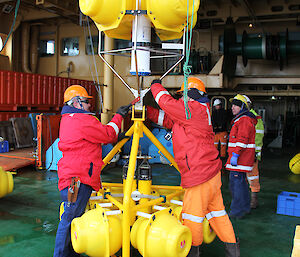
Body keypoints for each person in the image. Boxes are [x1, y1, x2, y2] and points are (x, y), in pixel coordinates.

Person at [147, 78, 239, 257]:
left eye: (182, 96)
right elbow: (167, 119)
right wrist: (147, 111)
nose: (181, 99)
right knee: (217, 214)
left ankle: (192, 252)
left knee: (192, 216)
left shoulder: (193, 109)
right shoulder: (195, 112)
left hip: (200, 176)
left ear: (190, 95)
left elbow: (166, 102)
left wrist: (155, 86)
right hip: (210, 176)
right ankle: (233, 250)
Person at [53, 85, 131, 257]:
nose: (90, 105)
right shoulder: (81, 120)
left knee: (73, 217)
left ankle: (71, 253)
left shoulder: (69, 119)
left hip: (74, 178)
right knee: (69, 218)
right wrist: (119, 116)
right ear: (76, 103)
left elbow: (96, 136)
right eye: (86, 102)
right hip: (77, 181)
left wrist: (113, 134)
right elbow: (108, 134)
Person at [225, 94, 257, 219]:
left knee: (236, 185)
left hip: (239, 160)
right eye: (232, 105)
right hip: (240, 159)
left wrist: (236, 154)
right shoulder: (243, 119)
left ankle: (236, 211)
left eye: (235, 105)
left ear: (242, 107)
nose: (232, 107)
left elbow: (242, 140)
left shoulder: (243, 120)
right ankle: (244, 208)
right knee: (241, 184)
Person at [242, 95, 264, 209]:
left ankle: (254, 200)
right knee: (246, 177)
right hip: (244, 153)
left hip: (251, 154)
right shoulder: (244, 117)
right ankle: (247, 199)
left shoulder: (254, 118)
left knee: (252, 177)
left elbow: (258, 135)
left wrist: (255, 152)